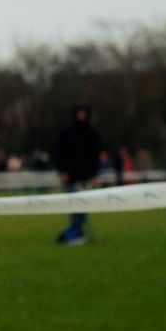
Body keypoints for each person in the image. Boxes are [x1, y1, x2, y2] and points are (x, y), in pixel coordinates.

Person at [54, 103, 102, 245]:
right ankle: (74, 233)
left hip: (86, 176)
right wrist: (62, 171)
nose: (82, 115)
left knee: (84, 207)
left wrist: (95, 174)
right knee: (75, 207)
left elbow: (95, 155)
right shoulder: (67, 132)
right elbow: (59, 153)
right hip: (71, 176)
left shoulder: (92, 133)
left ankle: (75, 232)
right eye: (79, 113)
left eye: (84, 113)